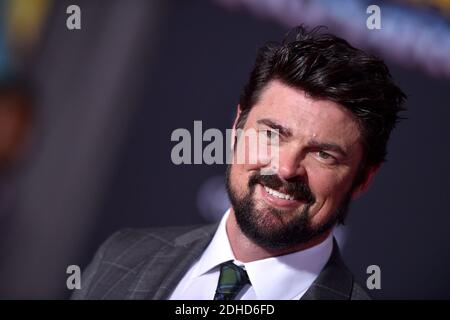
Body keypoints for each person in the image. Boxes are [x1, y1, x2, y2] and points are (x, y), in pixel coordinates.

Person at [72, 26, 406, 300]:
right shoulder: (121, 256)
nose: (286, 168)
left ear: (364, 178)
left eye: (323, 154)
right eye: (273, 134)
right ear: (237, 127)